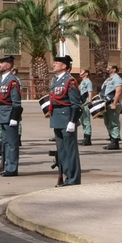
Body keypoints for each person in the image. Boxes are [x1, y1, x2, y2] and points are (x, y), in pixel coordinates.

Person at [48, 55, 83, 186]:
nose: (54, 64)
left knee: (70, 150)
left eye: (57, 63)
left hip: (66, 117)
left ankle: (73, 178)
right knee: (62, 150)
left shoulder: (70, 81)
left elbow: (76, 104)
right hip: (57, 117)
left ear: (64, 66)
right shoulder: (55, 80)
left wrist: (72, 121)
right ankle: (66, 176)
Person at [0, 58, 23, 176]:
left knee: (12, 143)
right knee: (5, 143)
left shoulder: (12, 81)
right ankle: (6, 165)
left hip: (10, 114)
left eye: (2, 63)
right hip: (3, 113)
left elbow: (16, 102)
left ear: (8, 64)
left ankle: (12, 168)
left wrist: (14, 118)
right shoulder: (3, 80)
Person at [100, 65, 122, 150]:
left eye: (109, 67)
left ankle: (115, 141)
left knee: (114, 123)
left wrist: (114, 103)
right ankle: (112, 139)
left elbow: (118, 92)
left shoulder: (117, 78)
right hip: (106, 104)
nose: (107, 69)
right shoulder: (108, 79)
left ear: (114, 69)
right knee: (107, 122)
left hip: (112, 103)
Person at [76, 67, 95, 146]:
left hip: (85, 102)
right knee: (83, 120)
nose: (80, 73)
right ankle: (85, 137)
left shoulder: (88, 82)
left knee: (86, 120)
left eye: (82, 72)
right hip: (81, 102)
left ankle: (88, 138)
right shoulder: (82, 82)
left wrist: (90, 102)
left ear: (86, 73)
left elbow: (90, 92)